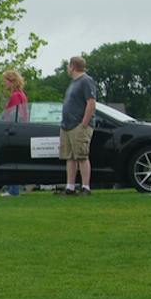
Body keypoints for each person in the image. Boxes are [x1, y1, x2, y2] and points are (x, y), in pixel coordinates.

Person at [60, 55, 97, 195]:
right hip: (67, 125)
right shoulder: (72, 83)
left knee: (81, 156)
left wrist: (84, 124)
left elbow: (91, 102)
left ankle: (85, 187)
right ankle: (70, 186)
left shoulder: (86, 81)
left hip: (79, 125)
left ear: (73, 66)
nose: (67, 69)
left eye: (68, 66)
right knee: (70, 157)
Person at [0, 69, 31, 196]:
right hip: (21, 129)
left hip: (14, 130)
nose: (4, 84)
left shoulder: (15, 96)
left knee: (11, 159)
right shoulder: (22, 94)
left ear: (11, 81)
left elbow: (12, 114)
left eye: (6, 81)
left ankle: (13, 190)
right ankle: (14, 189)